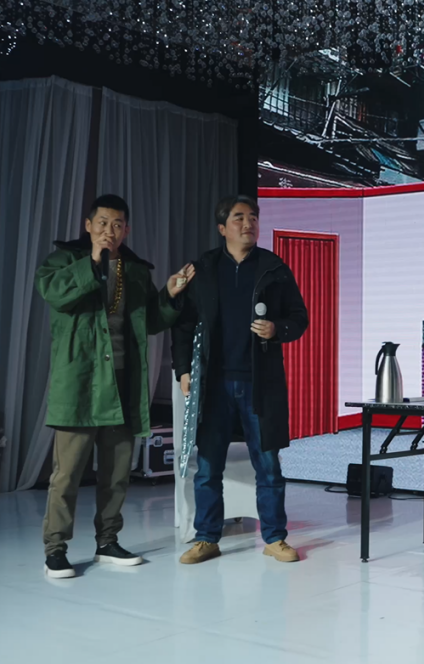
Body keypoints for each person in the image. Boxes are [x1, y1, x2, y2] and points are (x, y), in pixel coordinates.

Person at [36, 194, 195, 579]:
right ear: (88, 225)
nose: (110, 230)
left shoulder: (135, 270)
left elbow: (150, 321)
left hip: (123, 383)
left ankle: (107, 542)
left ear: (127, 230)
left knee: (117, 472)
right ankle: (55, 549)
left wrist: (169, 294)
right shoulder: (63, 261)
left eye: (118, 224)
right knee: (67, 474)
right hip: (80, 384)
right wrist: (93, 261)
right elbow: (54, 294)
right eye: (103, 223)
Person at [173, 195, 309, 565]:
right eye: (238, 218)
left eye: (253, 217)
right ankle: (206, 538)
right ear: (222, 228)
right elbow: (184, 324)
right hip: (213, 384)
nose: (248, 224)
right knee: (208, 467)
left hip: (259, 382)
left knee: (268, 465)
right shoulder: (204, 269)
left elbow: (299, 317)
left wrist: (277, 329)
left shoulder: (274, 268)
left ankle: (275, 538)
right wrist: (183, 369)